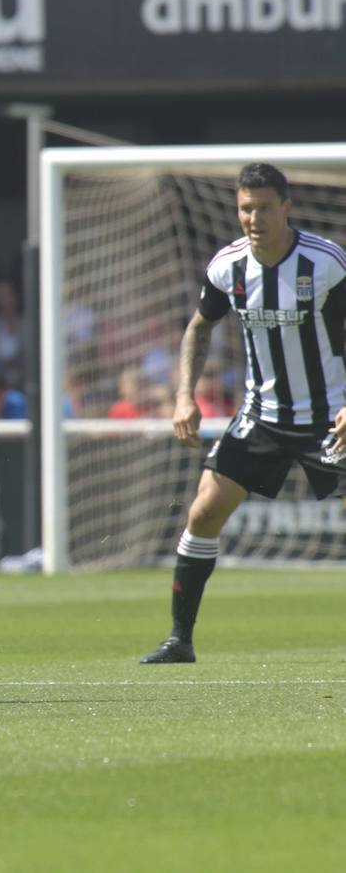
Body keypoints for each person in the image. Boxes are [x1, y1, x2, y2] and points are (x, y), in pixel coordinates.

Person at [140, 163, 346, 664]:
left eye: (264, 208)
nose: (253, 217)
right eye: (245, 208)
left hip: (333, 414)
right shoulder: (227, 266)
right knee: (204, 510)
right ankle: (179, 640)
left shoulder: (326, 265)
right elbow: (199, 327)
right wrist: (184, 394)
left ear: (287, 207)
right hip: (263, 415)